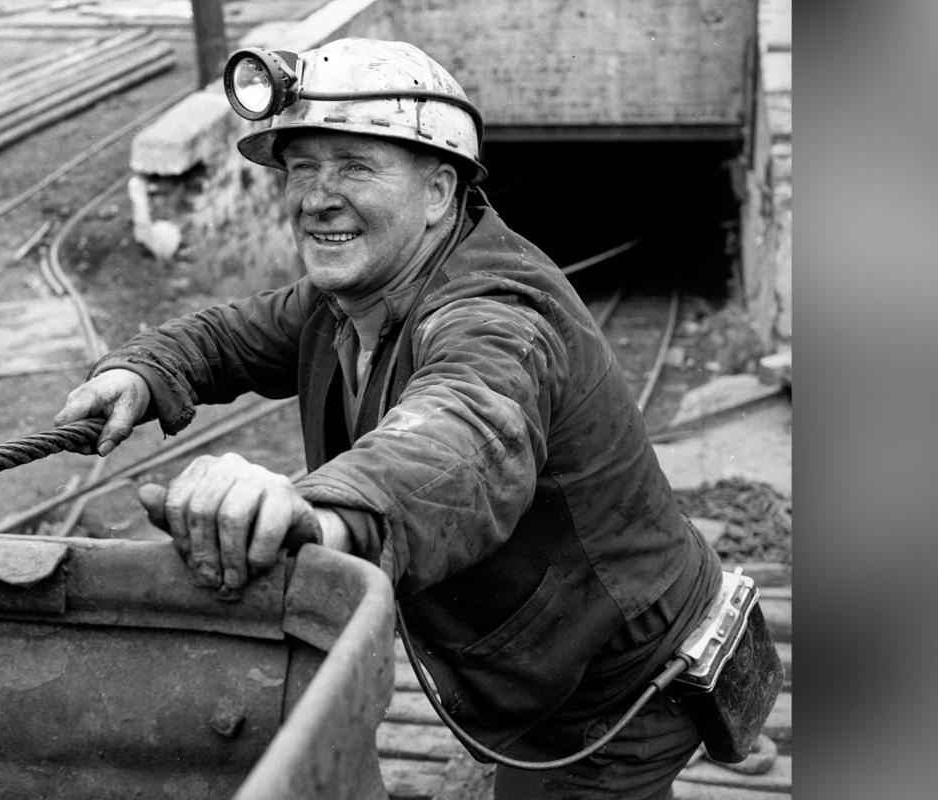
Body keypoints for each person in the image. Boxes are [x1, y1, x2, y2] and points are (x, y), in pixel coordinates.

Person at [54, 37, 723, 799]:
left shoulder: (497, 312)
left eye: (354, 167)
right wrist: (141, 371)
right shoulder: (352, 294)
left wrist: (319, 510)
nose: (315, 196)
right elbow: (229, 334)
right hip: (539, 663)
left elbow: (460, 437)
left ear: (439, 192)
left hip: (616, 688)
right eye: (302, 167)